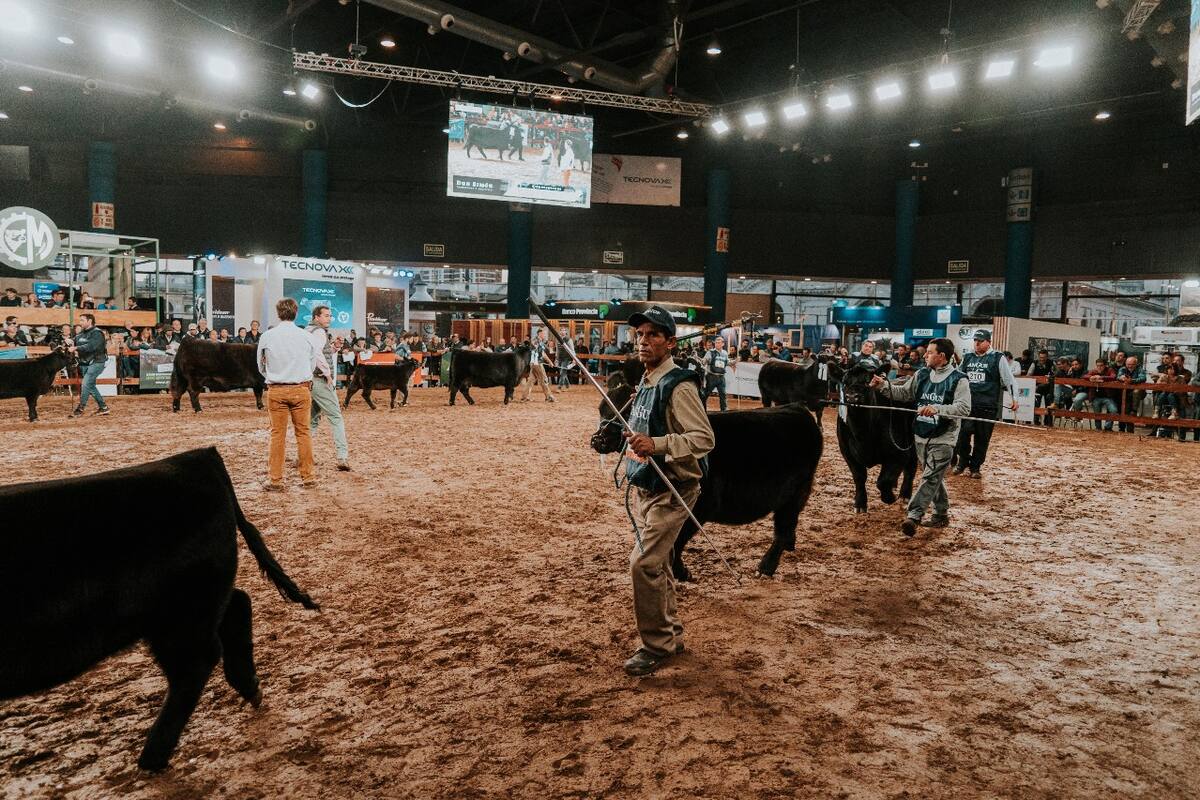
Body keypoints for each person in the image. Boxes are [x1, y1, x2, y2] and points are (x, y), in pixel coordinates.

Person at [620, 305, 715, 677]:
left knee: (643, 564)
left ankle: (656, 646)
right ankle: (671, 634)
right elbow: (644, 427)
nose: (643, 342)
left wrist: (656, 444)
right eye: (640, 335)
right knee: (657, 563)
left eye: (653, 335)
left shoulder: (679, 385)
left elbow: (703, 439)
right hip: (648, 486)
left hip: (674, 490)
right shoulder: (648, 381)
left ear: (670, 342)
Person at [869, 338, 971, 536]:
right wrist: (882, 386)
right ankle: (941, 514)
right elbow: (904, 393)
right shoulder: (921, 374)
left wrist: (937, 409)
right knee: (933, 476)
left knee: (930, 476)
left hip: (944, 437)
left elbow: (964, 408)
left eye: (930, 352)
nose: (925, 356)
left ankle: (914, 515)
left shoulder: (959, 379)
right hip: (921, 436)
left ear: (942, 356)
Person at [256, 298, 319, 490]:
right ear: (296, 313)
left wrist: (273, 376)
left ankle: (276, 480)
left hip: (276, 389)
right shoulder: (306, 336)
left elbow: (260, 365)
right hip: (301, 388)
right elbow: (312, 364)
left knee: (277, 435)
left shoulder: (267, 336)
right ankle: (308, 477)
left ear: (278, 313)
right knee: (304, 433)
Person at [953, 330, 1017, 479]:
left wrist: (1014, 398)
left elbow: (1008, 379)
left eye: (980, 341)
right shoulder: (968, 357)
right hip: (967, 404)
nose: (976, 343)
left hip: (988, 405)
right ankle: (963, 461)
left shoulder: (998, 357)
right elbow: (958, 376)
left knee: (982, 438)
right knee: (962, 434)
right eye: (975, 340)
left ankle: (975, 467)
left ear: (988, 342)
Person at [306, 305, 351, 472]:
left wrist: (334, 347)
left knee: (312, 420)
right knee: (336, 417)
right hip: (320, 380)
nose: (329, 318)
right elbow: (317, 355)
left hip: (310, 381)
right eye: (326, 315)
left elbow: (317, 353)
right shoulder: (318, 332)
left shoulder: (309, 330)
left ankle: (303, 455)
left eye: (330, 315)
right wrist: (328, 374)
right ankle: (342, 456)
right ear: (316, 317)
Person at [69, 313, 111, 417]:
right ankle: (103, 407)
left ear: (90, 321)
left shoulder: (97, 333)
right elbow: (75, 341)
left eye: (82, 320)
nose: (80, 322)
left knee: (86, 383)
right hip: (85, 362)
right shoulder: (81, 334)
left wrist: (76, 348)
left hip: (97, 362)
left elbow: (91, 346)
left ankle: (80, 408)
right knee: (90, 385)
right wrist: (70, 341)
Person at [1076, 358, 1118, 431]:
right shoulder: (1094, 371)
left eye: (1101, 365)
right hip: (1096, 396)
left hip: (1107, 396)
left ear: (1105, 365)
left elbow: (1113, 376)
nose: (1099, 367)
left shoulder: (1109, 370)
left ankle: (1107, 427)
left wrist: (1101, 377)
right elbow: (1084, 376)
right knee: (1097, 413)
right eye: (1098, 366)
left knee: (1113, 410)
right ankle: (1098, 428)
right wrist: (1092, 377)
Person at [521, 328, 555, 402]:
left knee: (531, 380)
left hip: (535, 363)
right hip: (537, 363)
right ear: (540, 334)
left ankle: (525, 397)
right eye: (544, 334)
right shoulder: (536, 341)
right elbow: (536, 352)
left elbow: (542, 353)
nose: (545, 335)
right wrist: (549, 362)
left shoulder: (540, 341)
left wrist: (549, 362)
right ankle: (548, 396)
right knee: (544, 379)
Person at [1116, 356, 1147, 433]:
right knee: (1124, 410)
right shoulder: (1123, 369)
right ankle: (1122, 429)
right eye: (1128, 364)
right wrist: (1122, 378)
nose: (1130, 366)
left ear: (1136, 364)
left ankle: (1134, 410)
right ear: (1126, 363)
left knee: (1131, 411)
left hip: (1138, 393)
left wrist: (1132, 380)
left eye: (1132, 364)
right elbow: (1118, 376)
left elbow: (1143, 378)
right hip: (1125, 393)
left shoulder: (1140, 369)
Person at [1027, 350, 1055, 426]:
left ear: (1047, 357)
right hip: (1037, 387)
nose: (1042, 359)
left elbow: (1055, 374)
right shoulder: (1034, 363)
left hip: (1048, 387)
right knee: (1036, 404)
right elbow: (1029, 374)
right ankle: (1036, 421)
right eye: (1040, 357)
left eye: (1044, 357)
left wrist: (1051, 376)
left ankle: (1048, 422)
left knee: (1048, 404)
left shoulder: (1051, 363)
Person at [702, 336, 730, 411]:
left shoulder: (725, 353)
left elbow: (727, 362)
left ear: (723, 344)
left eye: (719, 342)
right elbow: (704, 361)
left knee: (723, 394)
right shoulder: (710, 352)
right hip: (711, 377)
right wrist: (703, 361)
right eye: (716, 343)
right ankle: (701, 408)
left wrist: (735, 361)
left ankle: (724, 410)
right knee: (706, 393)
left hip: (721, 377)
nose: (717, 344)